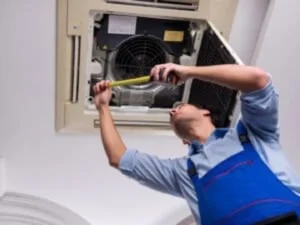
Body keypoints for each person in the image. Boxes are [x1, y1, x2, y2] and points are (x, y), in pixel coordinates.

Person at [93, 63, 300, 225]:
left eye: (180, 105)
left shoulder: (254, 133)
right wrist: (103, 106)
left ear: (206, 112)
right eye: (171, 114)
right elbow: (119, 157)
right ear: (183, 140)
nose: (172, 111)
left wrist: (188, 72)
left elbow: (258, 80)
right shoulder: (182, 172)